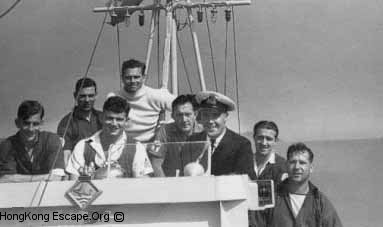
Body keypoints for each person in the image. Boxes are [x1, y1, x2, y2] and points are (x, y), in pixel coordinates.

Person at [254, 143, 343, 227]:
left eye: (302, 163)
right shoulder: (269, 197)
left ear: (311, 168)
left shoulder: (320, 202)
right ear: (286, 165)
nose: (297, 167)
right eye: (293, 162)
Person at [66, 96, 153, 179]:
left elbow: (142, 183)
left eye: (119, 119)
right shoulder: (82, 146)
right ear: (101, 118)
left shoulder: (136, 147)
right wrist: (86, 178)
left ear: (126, 121)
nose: (114, 123)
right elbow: (73, 183)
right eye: (110, 118)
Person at [180, 91, 254, 177]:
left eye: (215, 115)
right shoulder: (192, 141)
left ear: (225, 116)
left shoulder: (241, 145)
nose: (210, 121)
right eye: (206, 115)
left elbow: (247, 179)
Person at [108, 59, 175, 142]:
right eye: (128, 78)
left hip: (152, 145)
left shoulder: (156, 95)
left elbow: (186, 107)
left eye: (136, 77)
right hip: (123, 144)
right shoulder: (114, 96)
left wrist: (166, 126)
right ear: (122, 78)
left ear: (143, 77)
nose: (132, 81)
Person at [0, 100, 65, 182]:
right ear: (17, 123)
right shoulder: (7, 145)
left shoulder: (52, 140)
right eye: (26, 123)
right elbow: (5, 179)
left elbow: (56, 177)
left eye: (35, 124)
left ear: (41, 123)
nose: (31, 129)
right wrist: (44, 177)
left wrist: (16, 178)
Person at [149, 94, 203, 177]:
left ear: (195, 114)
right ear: (172, 116)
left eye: (188, 114)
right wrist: (165, 186)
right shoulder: (164, 131)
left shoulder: (204, 131)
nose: (184, 120)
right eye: (179, 115)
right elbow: (156, 165)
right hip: (171, 181)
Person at [57, 77, 102, 165]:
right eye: (82, 96)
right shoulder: (66, 123)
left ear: (96, 95)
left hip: (103, 167)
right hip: (80, 171)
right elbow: (66, 154)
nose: (87, 100)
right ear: (75, 96)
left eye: (91, 96)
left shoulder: (103, 117)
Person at [250, 120, 287, 185]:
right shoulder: (243, 163)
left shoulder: (283, 166)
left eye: (269, 139)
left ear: (275, 141)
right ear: (254, 138)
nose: (264, 143)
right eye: (260, 138)